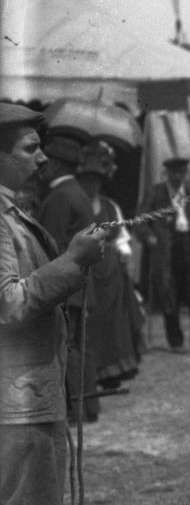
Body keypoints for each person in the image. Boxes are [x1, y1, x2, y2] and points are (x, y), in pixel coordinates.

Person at [0, 102, 108, 505]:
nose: (41, 157)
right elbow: (10, 303)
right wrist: (71, 262)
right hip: (13, 402)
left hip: (26, 394)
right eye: (27, 148)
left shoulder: (12, 212)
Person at [35, 134, 98, 423]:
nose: (41, 165)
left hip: (66, 288)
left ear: (58, 165)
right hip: (81, 285)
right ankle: (88, 407)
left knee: (68, 348)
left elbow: (52, 249)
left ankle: (74, 410)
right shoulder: (79, 194)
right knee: (80, 347)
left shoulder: (59, 198)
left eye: (47, 161)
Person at [78, 144, 143, 390]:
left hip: (112, 274)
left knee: (113, 324)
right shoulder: (76, 203)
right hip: (89, 273)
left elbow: (123, 236)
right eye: (88, 180)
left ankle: (112, 373)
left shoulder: (110, 206)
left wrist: (125, 254)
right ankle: (92, 373)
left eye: (96, 180)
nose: (92, 185)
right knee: (92, 322)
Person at [138, 157, 190, 354]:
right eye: (174, 173)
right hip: (168, 252)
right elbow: (141, 222)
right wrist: (150, 238)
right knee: (169, 296)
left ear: (185, 174)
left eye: (181, 173)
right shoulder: (156, 193)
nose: (177, 177)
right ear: (167, 174)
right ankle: (176, 341)